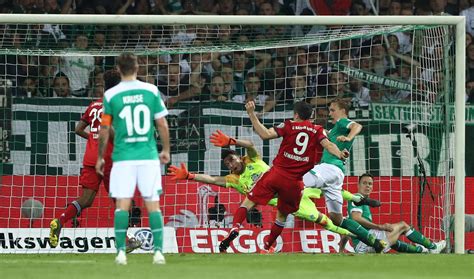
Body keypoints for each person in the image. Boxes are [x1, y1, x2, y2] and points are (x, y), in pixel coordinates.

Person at [168, 130, 382, 242]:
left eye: (232, 159)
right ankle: (356, 234)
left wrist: (232, 142)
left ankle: (358, 199)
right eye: (227, 164)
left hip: (291, 185)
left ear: (240, 159)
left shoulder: (251, 160)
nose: (231, 164)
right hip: (287, 202)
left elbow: (251, 145)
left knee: (327, 188)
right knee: (322, 219)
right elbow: (213, 180)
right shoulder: (233, 180)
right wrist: (190, 175)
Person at [218, 101, 349, 253]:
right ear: (311, 116)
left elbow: (264, 135)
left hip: (276, 175)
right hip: (294, 183)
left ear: (296, 115)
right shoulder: (317, 130)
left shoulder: (289, 125)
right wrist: (340, 154)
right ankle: (266, 248)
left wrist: (252, 114)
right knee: (281, 216)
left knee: (248, 202)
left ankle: (235, 228)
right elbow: (328, 145)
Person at [49, 70, 143, 249]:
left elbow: (78, 129)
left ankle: (59, 221)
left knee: (86, 199)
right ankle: (124, 242)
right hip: (110, 160)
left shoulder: (94, 105)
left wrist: (93, 138)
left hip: (91, 159)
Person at [95, 53, 171, 265]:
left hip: (123, 157)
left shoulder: (111, 95)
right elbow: (162, 124)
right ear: (137, 67)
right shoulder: (150, 91)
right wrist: (165, 150)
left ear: (119, 69)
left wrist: (100, 156)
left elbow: (104, 128)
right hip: (147, 156)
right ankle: (158, 253)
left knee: (122, 205)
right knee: (153, 204)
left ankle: (120, 252)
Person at [303, 98, 387, 252]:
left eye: (333, 110)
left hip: (329, 168)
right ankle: (375, 242)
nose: (330, 113)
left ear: (343, 111)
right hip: (336, 174)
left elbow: (357, 126)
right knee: (337, 219)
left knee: (298, 181)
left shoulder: (343, 122)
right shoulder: (335, 129)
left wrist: (349, 138)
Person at [340, 173, 446, 254]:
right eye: (364, 183)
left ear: (372, 187)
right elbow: (355, 218)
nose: (367, 186)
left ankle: (422, 250)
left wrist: (341, 250)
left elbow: (348, 227)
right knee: (403, 225)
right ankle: (433, 247)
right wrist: (379, 227)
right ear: (358, 185)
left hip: (364, 245)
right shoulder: (357, 198)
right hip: (367, 242)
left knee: (394, 242)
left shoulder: (363, 201)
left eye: (370, 184)